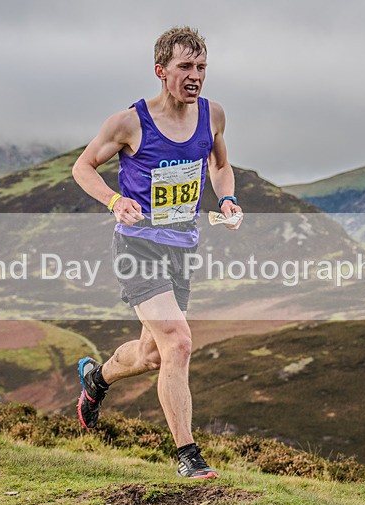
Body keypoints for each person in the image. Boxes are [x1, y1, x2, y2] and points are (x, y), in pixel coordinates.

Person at [71, 26, 242, 479]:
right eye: (185, 67)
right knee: (180, 342)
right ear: (161, 71)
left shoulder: (213, 116)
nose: (195, 76)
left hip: (182, 249)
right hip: (137, 246)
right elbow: (82, 166)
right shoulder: (130, 123)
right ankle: (189, 456)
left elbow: (221, 167)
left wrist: (226, 200)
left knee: (152, 356)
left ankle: (96, 382)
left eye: (201, 67)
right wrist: (113, 200)